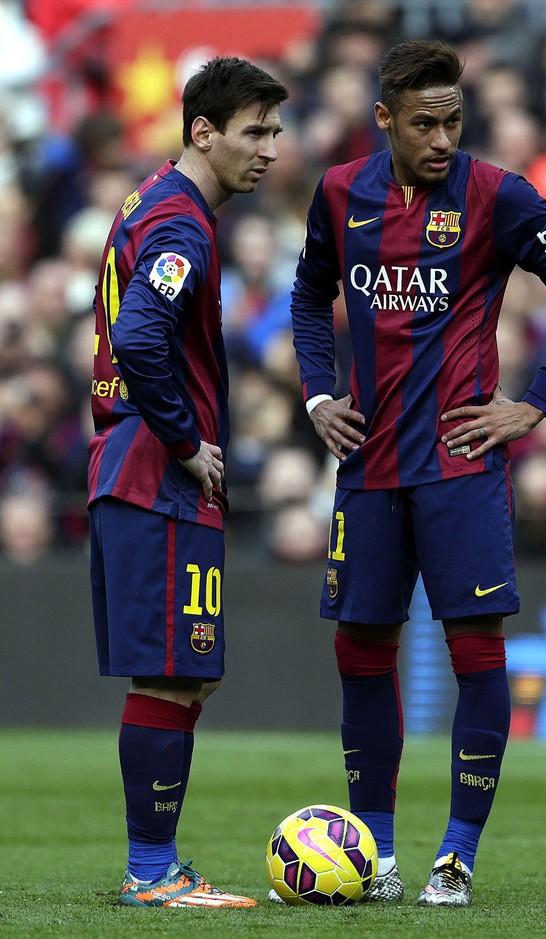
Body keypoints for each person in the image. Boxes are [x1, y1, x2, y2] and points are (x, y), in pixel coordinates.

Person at [288, 39, 546, 907]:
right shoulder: (337, 193)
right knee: (361, 650)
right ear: (384, 119)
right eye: (424, 123)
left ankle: (456, 857)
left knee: (475, 649)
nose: (442, 139)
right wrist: (320, 393)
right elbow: (308, 294)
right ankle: (378, 856)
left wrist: (534, 404)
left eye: (454, 121)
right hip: (367, 463)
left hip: (461, 461)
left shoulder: (497, 194)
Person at [87, 56, 287, 908]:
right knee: (172, 672)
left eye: (276, 131)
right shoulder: (182, 223)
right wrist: (184, 439)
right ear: (202, 131)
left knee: (185, 672)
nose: (272, 150)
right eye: (256, 131)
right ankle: (152, 871)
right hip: (155, 472)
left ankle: (157, 862)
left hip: (132, 467)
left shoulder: (149, 201)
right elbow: (138, 337)